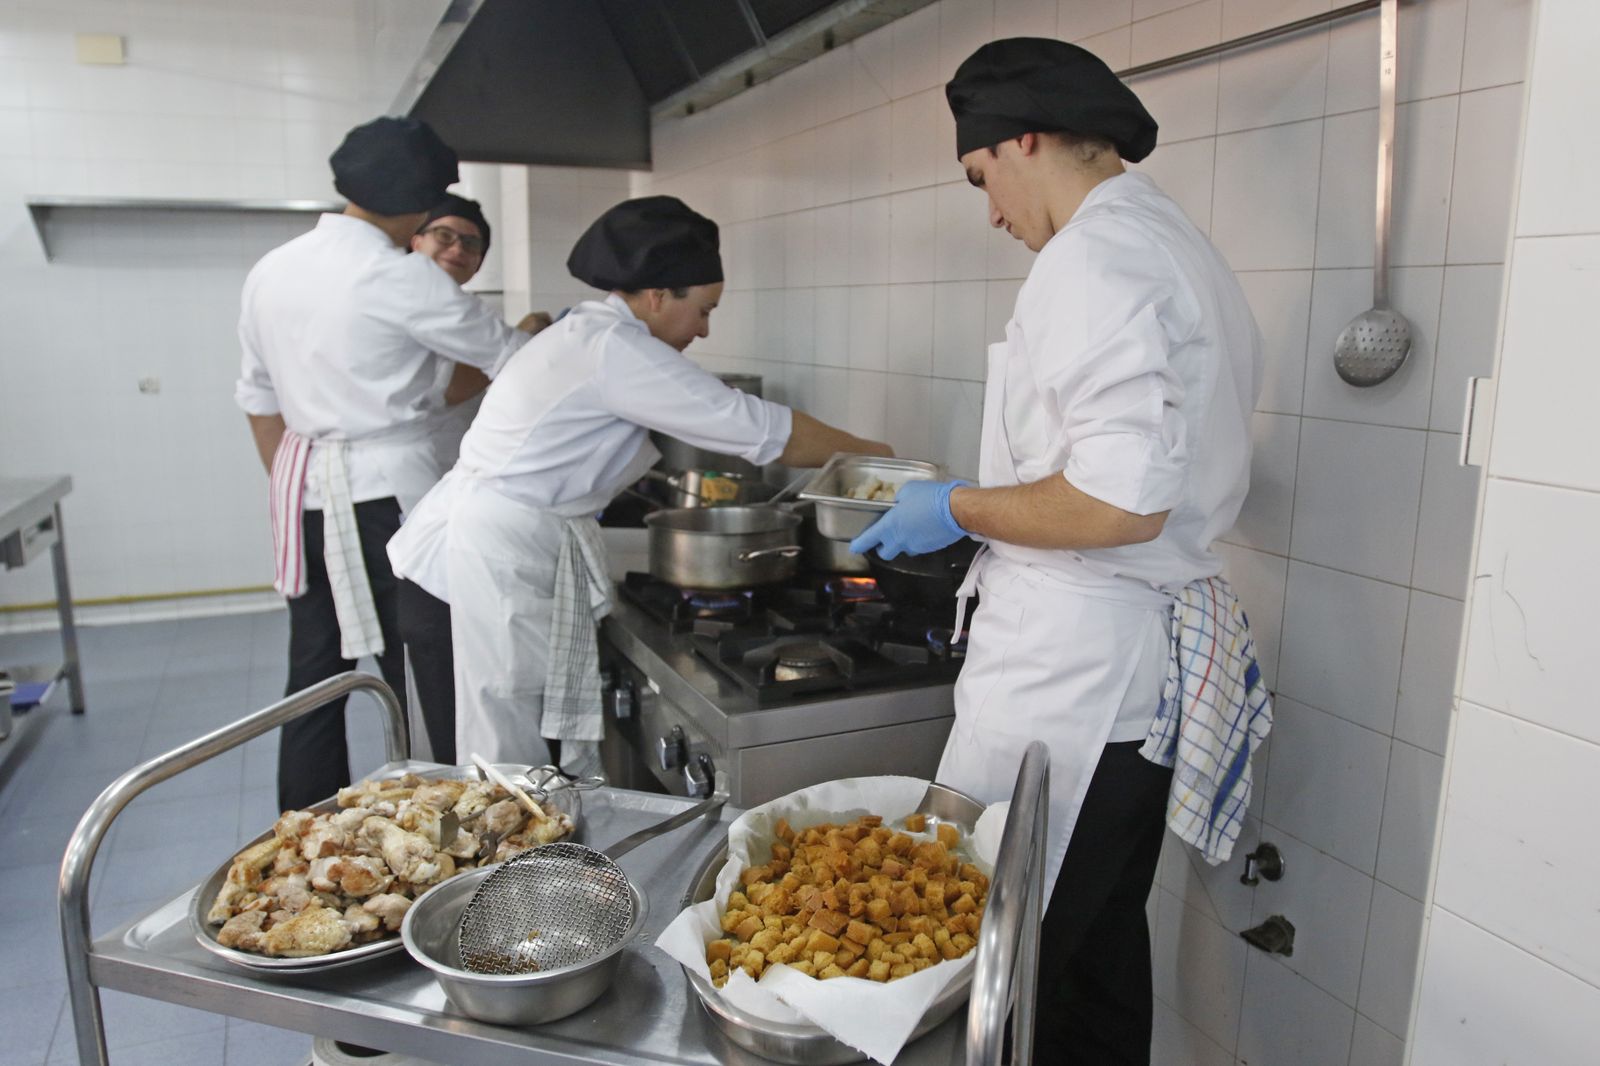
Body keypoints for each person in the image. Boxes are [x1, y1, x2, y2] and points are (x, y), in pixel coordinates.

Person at [850, 39, 1269, 1064]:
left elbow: (1117, 504)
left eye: (982, 177)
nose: (990, 212)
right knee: (1091, 969)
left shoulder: (1093, 255)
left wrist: (959, 504)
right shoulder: (1172, 242)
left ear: (1021, 139)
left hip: (1073, 682)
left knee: (994, 987)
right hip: (1124, 682)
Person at [389, 195, 893, 774]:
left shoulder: (593, 335)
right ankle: (527, 869)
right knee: (504, 764)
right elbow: (757, 429)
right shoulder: (615, 349)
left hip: (481, 551)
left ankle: (535, 864)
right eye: (703, 309)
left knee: (508, 757)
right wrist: (878, 459)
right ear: (657, 296)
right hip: (483, 562)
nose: (704, 330)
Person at [235, 117, 537, 811]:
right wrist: (537, 333)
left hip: (305, 490)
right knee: (420, 664)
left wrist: (298, 482)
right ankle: (440, 827)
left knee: (315, 674)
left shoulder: (271, 270)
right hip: (395, 501)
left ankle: (302, 826)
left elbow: (256, 399)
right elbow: (511, 360)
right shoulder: (398, 277)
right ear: (421, 203)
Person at [399, 193, 552, 765]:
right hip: (420, 496)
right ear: (416, 239)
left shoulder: (464, 313)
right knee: (432, 661)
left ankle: (444, 772)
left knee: (450, 668)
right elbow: (446, 389)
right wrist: (524, 345)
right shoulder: (414, 303)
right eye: (445, 235)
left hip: (451, 495)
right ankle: (433, 776)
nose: (458, 249)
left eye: (471, 242)